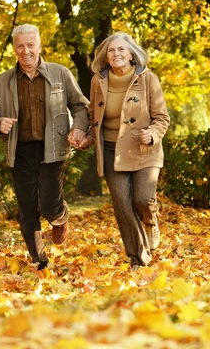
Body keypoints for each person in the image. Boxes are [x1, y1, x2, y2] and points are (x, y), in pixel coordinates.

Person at [0, 24, 89, 270]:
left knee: (49, 206)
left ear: (39, 46)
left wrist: (79, 128)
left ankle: (60, 218)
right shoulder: (2, 82)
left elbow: (81, 106)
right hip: (19, 151)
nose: (26, 50)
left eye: (31, 45)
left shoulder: (60, 73)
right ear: (14, 49)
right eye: (20, 46)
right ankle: (40, 260)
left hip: (53, 148)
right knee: (27, 209)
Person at [77, 32, 170, 272]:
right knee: (122, 205)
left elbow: (162, 118)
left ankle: (150, 222)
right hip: (110, 151)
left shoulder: (148, 79)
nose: (116, 54)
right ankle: (138, 258)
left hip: (143, 149)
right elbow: (92, 116)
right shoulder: (98, 81)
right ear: (105, 57)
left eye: (121, 50)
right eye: (111, 50)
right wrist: (87, 137)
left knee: (142, 199)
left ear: (131, 54)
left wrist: (152, 133)